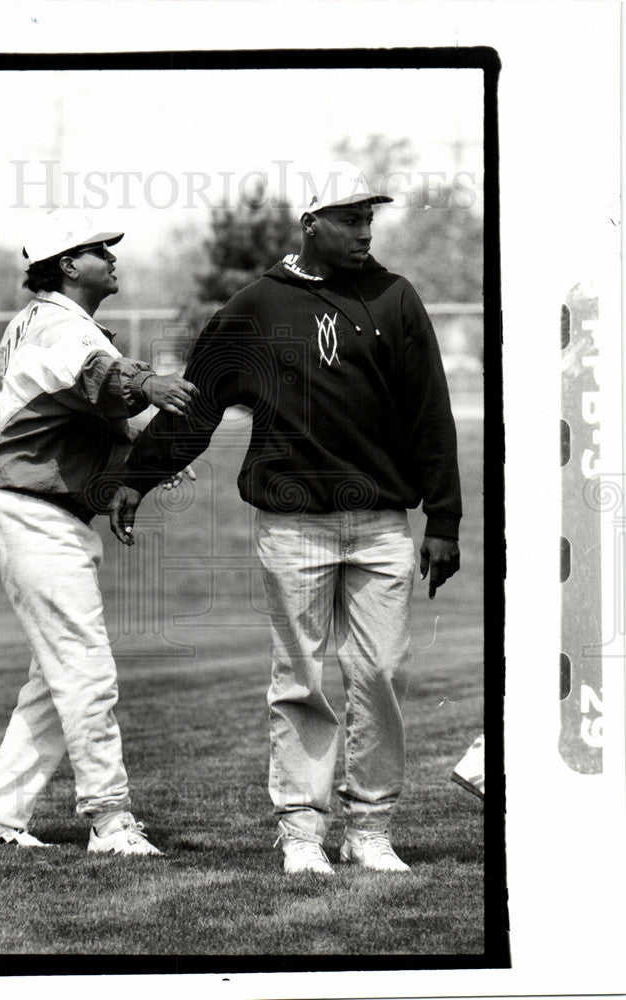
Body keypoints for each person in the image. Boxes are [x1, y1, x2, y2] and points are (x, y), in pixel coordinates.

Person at [110, 162, 462, 875]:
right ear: (310, 223)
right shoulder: (255, 307)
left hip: (381, 525)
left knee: (381, 675)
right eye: (348, 216)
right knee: (299, 678)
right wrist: (137, 478)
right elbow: (199, 404)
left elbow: (430, 413)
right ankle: (302, 833)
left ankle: (369, 829)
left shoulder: (394, 298)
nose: (364, 228)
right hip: (291, 527)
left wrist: (444, 518)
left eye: (369, 216)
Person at [0, 209, 197, 855]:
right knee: (86, 673)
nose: (112, 259)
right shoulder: (53, 325)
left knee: (54, 680)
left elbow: (91, 409)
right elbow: (95, 375)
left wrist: (142, 461)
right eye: (99, 250)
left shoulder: (64, 325)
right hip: (32, 515)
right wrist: (147, 382)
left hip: (42, 514)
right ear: (67, 263)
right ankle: (110, 819)